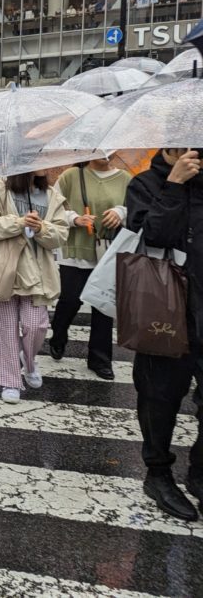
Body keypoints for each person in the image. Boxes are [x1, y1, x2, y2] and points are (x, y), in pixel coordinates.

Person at [125, 148, 203, 521]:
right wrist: (174, 187)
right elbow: (151, 235)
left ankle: (200, 471)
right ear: (171, 149)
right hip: (165, 309)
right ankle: (158, 473)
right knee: (159, 397)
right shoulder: (145, 184)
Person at [0, 170, 68, 403]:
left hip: (38, 273)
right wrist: (18, 223)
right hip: (5, 271)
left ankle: (28, 361)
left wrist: (41, 229)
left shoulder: (51, 195)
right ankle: (10, 381)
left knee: (36, 326)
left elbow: (60, 235)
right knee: (6, 329)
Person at [50, 158, 132, 379]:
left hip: (108, 251)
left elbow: (136, 208)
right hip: (75, 251)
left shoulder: (125, 179)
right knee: (70, 299)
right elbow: (54, 208)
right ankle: (58, 334)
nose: (105, 155)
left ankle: (100, 359)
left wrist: (120, 212)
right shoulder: (70, 175)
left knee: (103, 305)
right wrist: (75, 219)